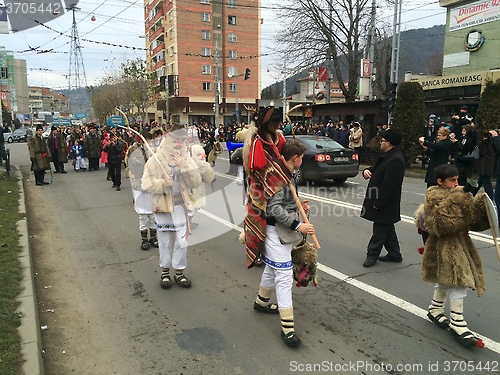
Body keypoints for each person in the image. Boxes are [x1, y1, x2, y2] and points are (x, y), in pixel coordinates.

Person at [252, 139, 314, 347]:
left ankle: (261, 302)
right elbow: (273, 209)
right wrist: (298, 225)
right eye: (302, 157)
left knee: (272, 268)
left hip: (278, 231)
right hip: (275, 232)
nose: (303, 161)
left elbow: (284, 203)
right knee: (285, 276)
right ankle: (288, 329)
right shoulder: (280, 176)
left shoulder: (287, 173)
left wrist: (298, 206)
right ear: (294, 158)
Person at [422, 164, 488, 348]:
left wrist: (481, 205)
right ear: (440, 182)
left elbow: (472, 221)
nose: (457, 183)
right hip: (444, 245)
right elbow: (443, 223)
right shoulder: (433, 196)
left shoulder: (456, 195)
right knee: (460, 280)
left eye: (457, 179)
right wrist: (461, 197)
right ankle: (457, 322)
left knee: (447, 279)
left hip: (460, 243)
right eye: (452, 180)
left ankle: (435, 309)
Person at [141, 123, 204, 289]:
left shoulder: (186, 157)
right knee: (165, 241)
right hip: (163, 207)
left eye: (182, 140)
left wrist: (186, 167)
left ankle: (179, 272)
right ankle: (165, 272)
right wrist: (162, 183)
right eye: (176, 140)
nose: (179, 144)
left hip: (181, 206)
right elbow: (145, 183)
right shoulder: (156, 158)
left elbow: (196, 181)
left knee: (182, 241)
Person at [361, 128, 405, 267]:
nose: (381, 142)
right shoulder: (388, 156)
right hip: (382, 201)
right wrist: (366, 171)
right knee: (387, 227)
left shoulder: (396, 160)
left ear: (390, 143)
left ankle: (372, 255)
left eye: (383, 140)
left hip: (385, 202)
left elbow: (390, 186)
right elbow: (375, 168)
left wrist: (379, 203)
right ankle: (395, 254)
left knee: (380, 230)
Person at [125, 131, 159, 250]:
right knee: (143, 215)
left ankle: (153, 237)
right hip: (139, 185)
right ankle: (144, 239)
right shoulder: (133, 149)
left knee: (153, 214)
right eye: (146, 140)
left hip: (152, 185)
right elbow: (131, 164)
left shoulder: (154, 150)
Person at [475, 130, 496, 199]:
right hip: (489, 163)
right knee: (482, 179)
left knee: (485, 180)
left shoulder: (484, 143)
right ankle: (473, 192)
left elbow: (481, 151)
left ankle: (490, 195)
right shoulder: (493, 142)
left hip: (484, 164)